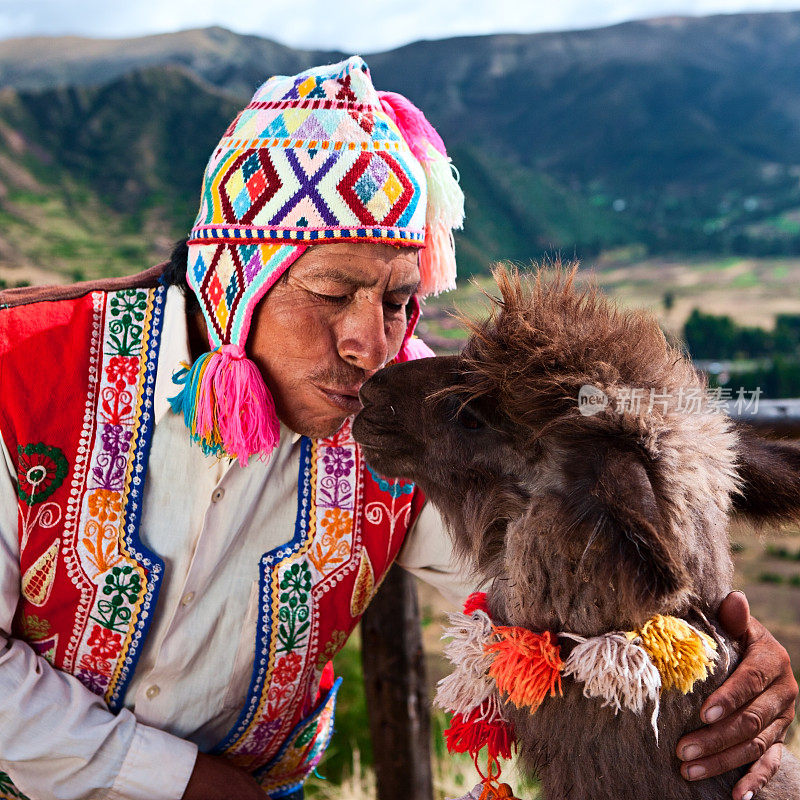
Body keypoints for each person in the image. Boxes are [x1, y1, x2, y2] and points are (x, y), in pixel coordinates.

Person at [0, 57, 795, 800]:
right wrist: (177, 782)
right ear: (233, 279)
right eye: (332, 290)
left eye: (396, 299)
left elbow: (558, 576)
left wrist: (728, 649)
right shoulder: (24, 375)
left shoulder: (413, 431)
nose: (370, 344)